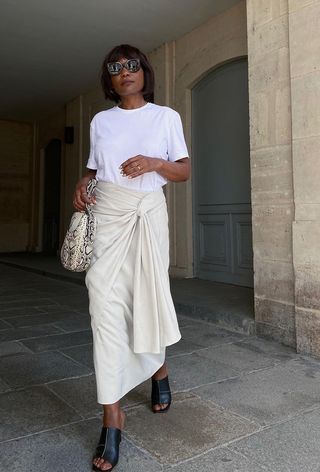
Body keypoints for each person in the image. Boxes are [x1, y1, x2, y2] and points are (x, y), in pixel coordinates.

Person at [73, 44, 190, 471]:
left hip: (147, 215)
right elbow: (95, 167)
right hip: (108, 217)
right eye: (115, 68)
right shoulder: (100, 121)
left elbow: (183, 170)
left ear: (144, 72)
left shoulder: (166, 117)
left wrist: (155, 163)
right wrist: (83, 183)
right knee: (103, 311)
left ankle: (158, 370)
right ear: (109, 78)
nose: (125, 73)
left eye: (132, 66)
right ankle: (112, 415)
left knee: (148, 299)